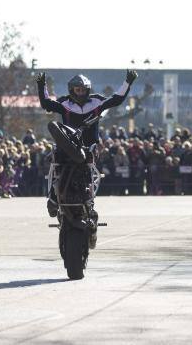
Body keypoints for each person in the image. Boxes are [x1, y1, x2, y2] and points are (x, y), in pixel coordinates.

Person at [36, 70, 137, 248]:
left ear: (88, 90)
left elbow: (116, 100)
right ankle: (52, 198)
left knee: (88, 164)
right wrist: (41, 84)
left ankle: (88, 197)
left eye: (83, 90)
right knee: (55, 158)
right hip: (68, 144)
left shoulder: (97, 102)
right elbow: (46, 104)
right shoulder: (65, 103)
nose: (80, 93)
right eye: (77, 89)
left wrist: (127, 82)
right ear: (71, 90)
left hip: (89, 145)